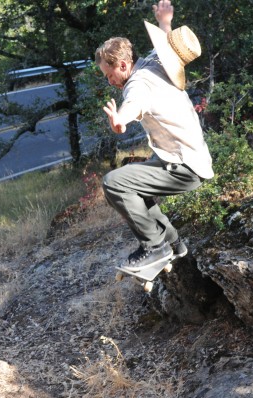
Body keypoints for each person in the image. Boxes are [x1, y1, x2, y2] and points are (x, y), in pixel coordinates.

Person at [95, 0, 214, 272]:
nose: (109, 81)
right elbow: (166, 49)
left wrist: (120, 121)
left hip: (183, 167)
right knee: (131, 176)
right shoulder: (154, 62)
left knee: (114, 183)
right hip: (190, 159)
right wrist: (165, 22)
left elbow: (133, 103)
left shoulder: (137, 84)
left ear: (123, 65)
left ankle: (155, 248)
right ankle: (174, 243)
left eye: (109, 74)